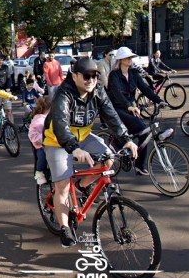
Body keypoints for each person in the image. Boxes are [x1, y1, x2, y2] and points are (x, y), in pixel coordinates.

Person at [43, 57, 138, 248]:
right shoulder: (64, 94)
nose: (91, 80)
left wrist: (126, 139)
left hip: (84, 137)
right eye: (86, 76)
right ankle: (64, 228)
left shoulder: (97, 91)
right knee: (62, 186)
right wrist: (74, 148)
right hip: (58, 141)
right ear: (75, 76)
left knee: (109, 159)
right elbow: (60, 124)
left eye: (95, 76)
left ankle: (81, 186)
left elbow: (111, 115)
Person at [107, 47, 165, 176]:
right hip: (115, 108)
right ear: (121, 60)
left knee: (144, 133)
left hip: (129, 107)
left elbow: (145, 88)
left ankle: (139, 165)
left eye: (131, 57)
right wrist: (129, 106)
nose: (130, 60)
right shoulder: (114, 75)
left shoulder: (133, 73)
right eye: (128, 58)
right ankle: (116, 142)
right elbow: (117, 94)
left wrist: (159, 100)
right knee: (139, 127)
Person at [28, 96, 52, 185]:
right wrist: (43, 139)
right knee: (42, 154)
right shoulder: (39, 120)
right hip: (41, 145)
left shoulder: (51, 117)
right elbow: (32, 134)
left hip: (53, 143)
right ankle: (39, 172)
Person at [97, 48, 114, 130]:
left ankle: (110, 121)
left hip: (111, 86)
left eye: (112, 55)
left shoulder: (112, 62)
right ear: (105, 55)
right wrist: (108, 87)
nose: (111, 56)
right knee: (103, 105)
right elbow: (103, 77)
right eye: (110, 55)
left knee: (111, 105)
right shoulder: (101, 63)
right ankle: (103, 123)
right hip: (103, 86)